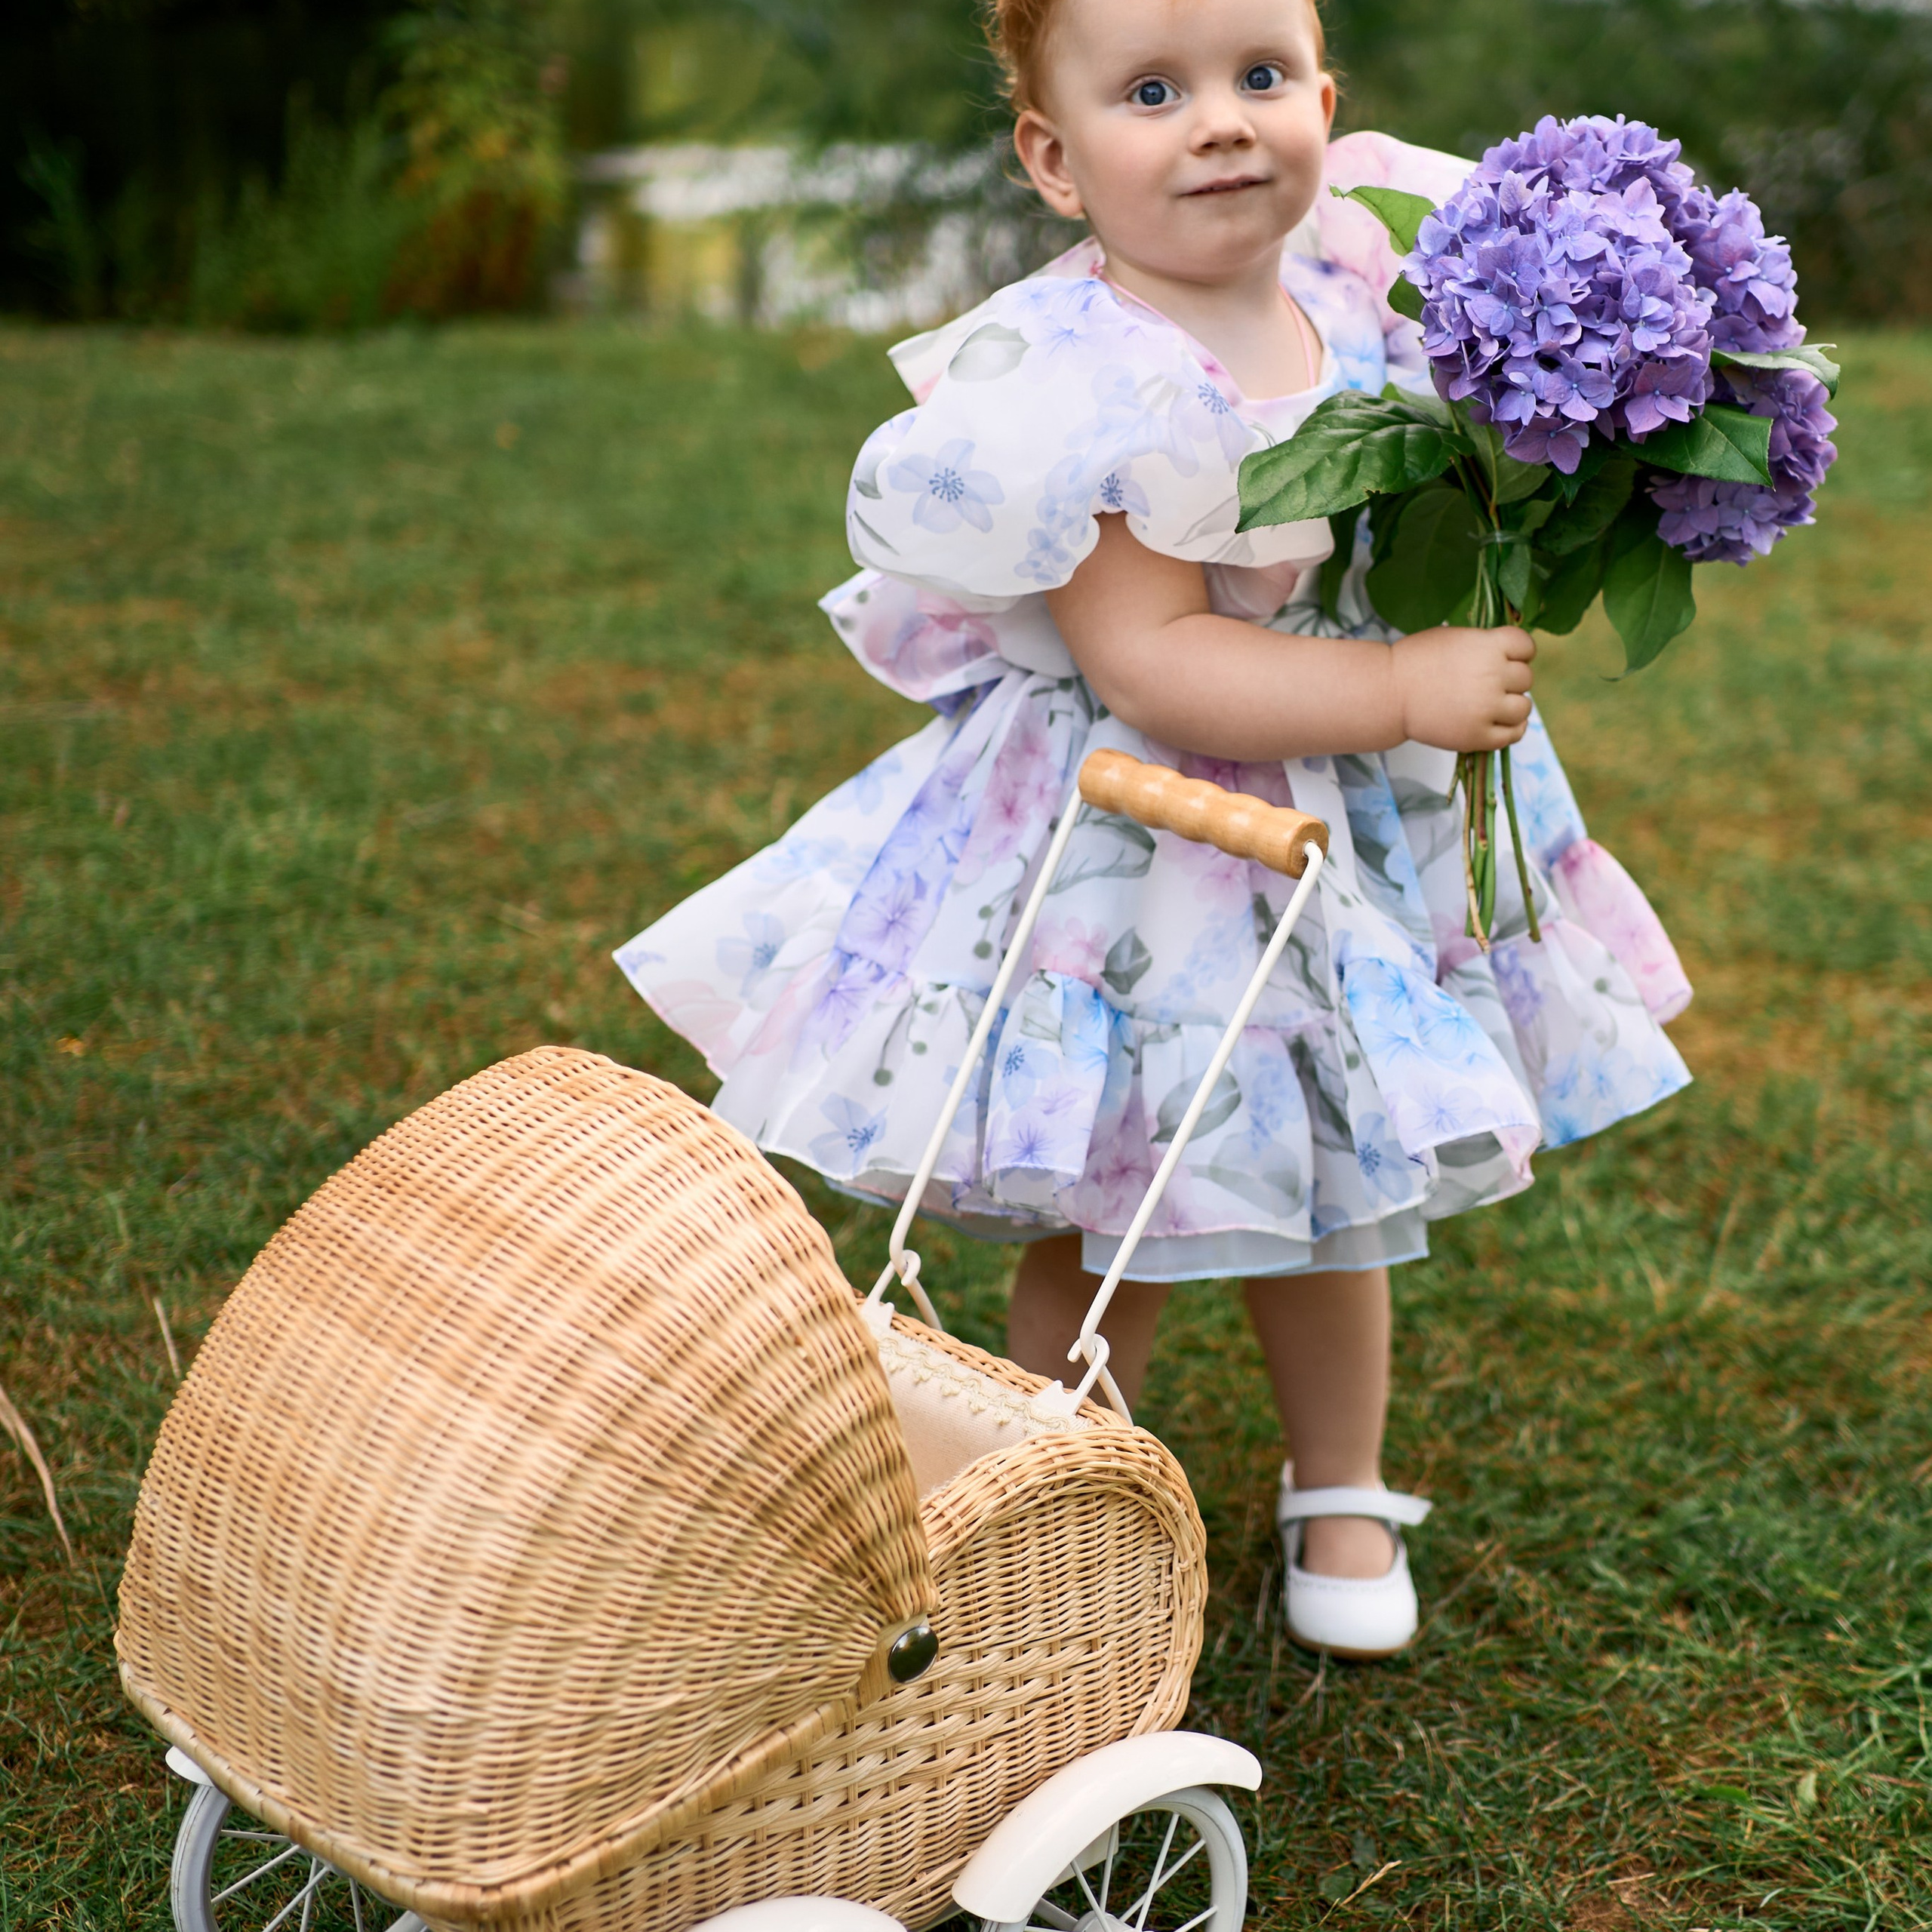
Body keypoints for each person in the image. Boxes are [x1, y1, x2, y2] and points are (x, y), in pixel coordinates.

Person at [616, 0, 1694, 1660]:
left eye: (1259, 77)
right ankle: (1037, 1480)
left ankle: (1337, 1480)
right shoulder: (1079, 388)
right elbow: (1156, 660)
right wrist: (1402, 680)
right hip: (1132, 849)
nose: (1219, 121)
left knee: (1336, 1184)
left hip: (1337, 839)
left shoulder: (1367, 282)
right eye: (1150, 91)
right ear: (1052, 159)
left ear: (1326, 102)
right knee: (1103, 1199)